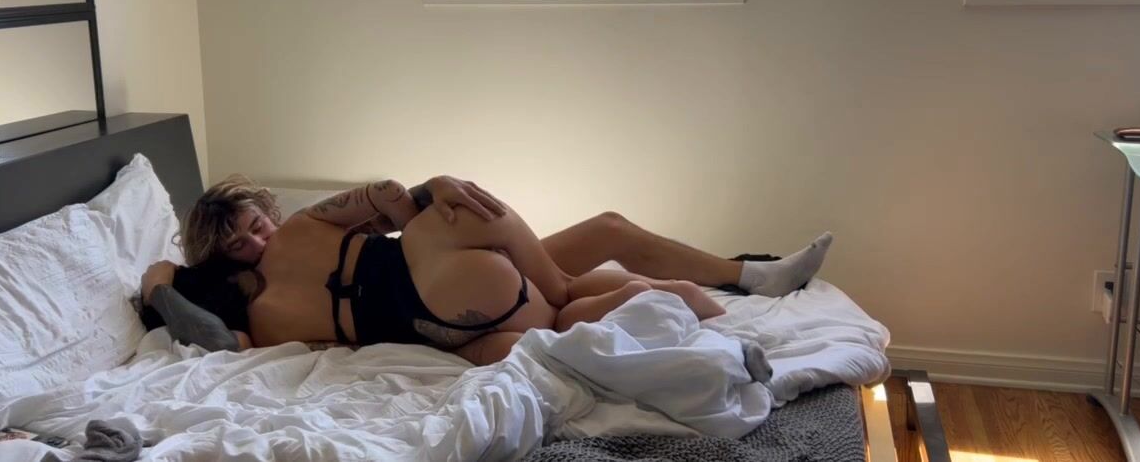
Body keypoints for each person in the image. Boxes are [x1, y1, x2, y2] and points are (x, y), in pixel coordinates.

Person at [140, 176, 833, 366]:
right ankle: (727, 311)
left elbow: (389, 199)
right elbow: (392, 195)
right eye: (240, 242)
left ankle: (746, 284)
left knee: (609, 247)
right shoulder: (279, 273)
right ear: (220, 259)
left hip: (454, 319)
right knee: (565, 291)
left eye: (257, 225)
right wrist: (435, 191)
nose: (258, 241)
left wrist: (165, 286)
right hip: (449, 294)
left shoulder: (276, 298)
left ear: (267, 214)